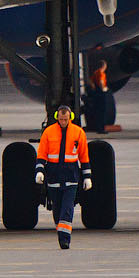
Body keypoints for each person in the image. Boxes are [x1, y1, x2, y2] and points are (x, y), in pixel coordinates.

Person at [34, 104, 91, 250]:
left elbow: (84, 156)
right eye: (61, 119)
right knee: (57, 209)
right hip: (53, 176)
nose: (63, 122)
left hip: (71, 176)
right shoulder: (48, 132)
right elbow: (41, 154)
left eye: (65, 119)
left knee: (67, 208)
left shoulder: (78, 133)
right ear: (57, 118)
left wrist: (87, 177)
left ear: (70, 117)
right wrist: (39, 171)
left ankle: (64, 239)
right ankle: (61, 230)